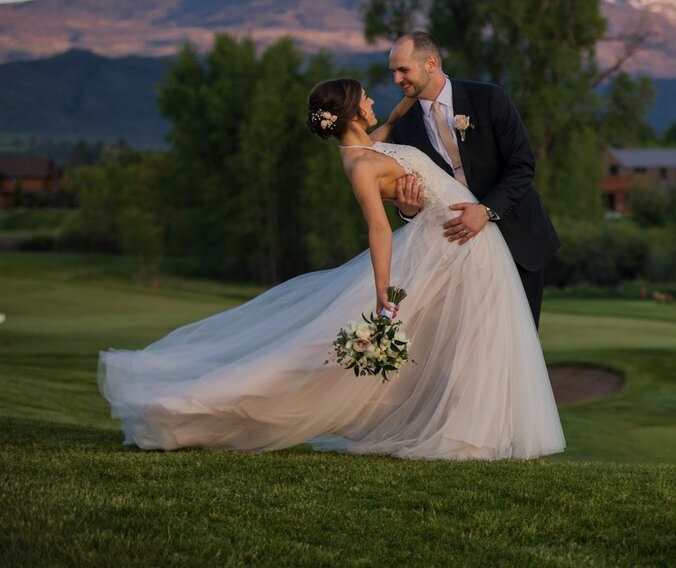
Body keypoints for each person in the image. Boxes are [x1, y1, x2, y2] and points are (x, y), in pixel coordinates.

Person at [98, 79, 565, 460]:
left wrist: (413, 93)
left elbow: (396, 126)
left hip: (469, 245)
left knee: (479, 340)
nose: (374, 100)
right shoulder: (359, 163)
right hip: (449, 248)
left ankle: (480, 431)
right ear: (353, 113)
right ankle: (186, 409)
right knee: (319, 352)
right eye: (366, 98)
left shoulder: (373, 144)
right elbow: (379, 230)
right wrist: (384, 294)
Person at [386, 31, 560, 329]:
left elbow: (522, 165)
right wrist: (408, 210)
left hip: (517, 239)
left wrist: (486, 210)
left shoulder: (489, 99)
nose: (397, 80)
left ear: (431, 63)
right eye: (393, 72)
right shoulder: (405, 127)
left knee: (521, 341)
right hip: (458, 253)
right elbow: (414, 200)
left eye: (404, 70)